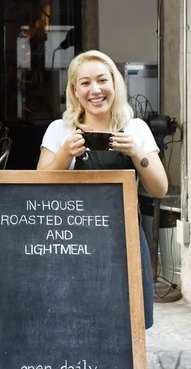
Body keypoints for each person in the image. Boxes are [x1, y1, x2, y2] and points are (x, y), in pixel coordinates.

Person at [37, 50, 168, 329]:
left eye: (102, 80)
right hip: (72, 241)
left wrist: (136, 152)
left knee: (127, 324)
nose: (95, 90)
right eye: (85, 83)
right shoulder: (59, 129)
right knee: (76, 322)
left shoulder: (136, 128)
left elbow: (159, 188)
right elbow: (39, 186)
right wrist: (64, 155)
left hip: (124, 241)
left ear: (115, 83)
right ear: (74, 90)